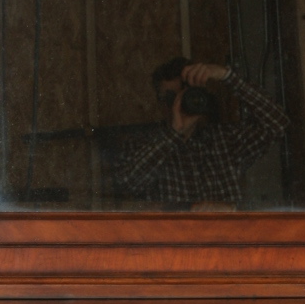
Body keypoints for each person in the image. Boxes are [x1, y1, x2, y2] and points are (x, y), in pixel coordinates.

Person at [114, 59, 288, 209]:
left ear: (200, 95)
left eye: (186, 96)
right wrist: (174, 133)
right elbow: (127, 182)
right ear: (160, 103)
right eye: (170, 98)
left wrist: (226, 76)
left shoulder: (225, 140)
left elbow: (278, 124)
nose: (178, 103)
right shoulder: (143, 144)